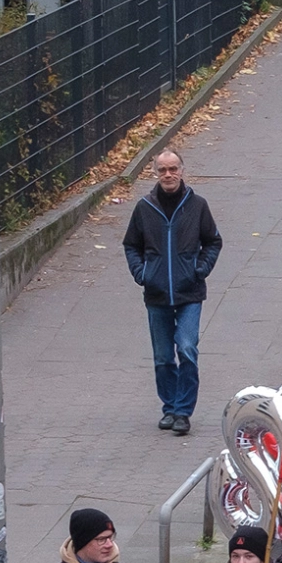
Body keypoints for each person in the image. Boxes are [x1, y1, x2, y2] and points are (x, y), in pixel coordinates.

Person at [122, 149, 222, 436]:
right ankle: (169, 406)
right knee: (164, 356)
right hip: (156, 294)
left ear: (182, 170)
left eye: (173, 169)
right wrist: (142, 274)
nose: (168, 175)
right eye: (163, 170)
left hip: (189, 292)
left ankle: (183, 412)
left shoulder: (197, 205)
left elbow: (213, 241)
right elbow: (131, 245)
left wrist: (199, 270)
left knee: (187, 348)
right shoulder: (144, 208)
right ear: (156, 173)